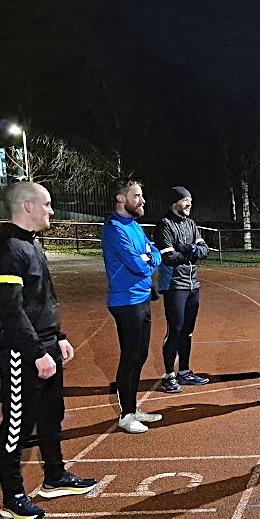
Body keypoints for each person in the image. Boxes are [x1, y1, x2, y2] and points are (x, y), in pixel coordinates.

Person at [0, 181, 97, 519]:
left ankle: (55, 476)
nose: (52, 210)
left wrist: (58, 336)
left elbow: (40, 301)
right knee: (18, 425)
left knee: (52, 414)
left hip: (45, 344)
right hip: (22, 352)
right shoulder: (7, 251)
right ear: (27, 207)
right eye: (47, 204)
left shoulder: (32, 246)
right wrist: (36, 352)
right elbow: (10, 311)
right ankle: (13, 497)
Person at [102, 180, 162, 434]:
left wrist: (148, 258)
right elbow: (138, 265)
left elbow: (155, 254)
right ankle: (126, 415)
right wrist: (146, 260)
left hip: (141, 298)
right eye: (136, 196)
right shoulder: (115, 229)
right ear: (120, 199)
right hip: (126, 302)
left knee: (140, 355)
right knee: (130, 356)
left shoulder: (134, 226)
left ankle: (133, 408)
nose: (142, 200)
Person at [155, 186, 211, 393]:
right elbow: (168, 257)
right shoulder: (164, 225)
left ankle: (185, 372)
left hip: (193, 285)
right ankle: (169, 375)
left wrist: (186, 249)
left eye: (190, 200)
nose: (189, 204)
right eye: (185, 200)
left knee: (187, 331)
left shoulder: (191, 224)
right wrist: (191, 252)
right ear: (174, 202)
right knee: (176, 330)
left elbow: (204, 250)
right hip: (174, 285)